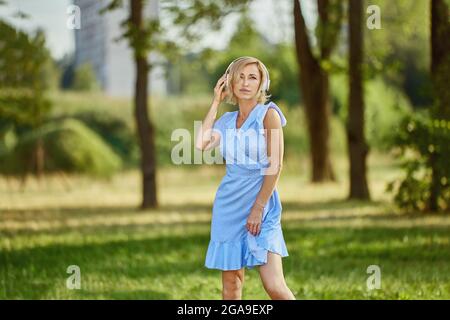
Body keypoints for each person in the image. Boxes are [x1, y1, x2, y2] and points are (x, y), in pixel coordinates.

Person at [195, 56, 295, 300]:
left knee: (274, 285)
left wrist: (258, 208)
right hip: (229, 205)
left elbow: (276, 165)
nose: (245, 83)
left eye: (252, 77)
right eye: (240, 76)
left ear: (262, 83)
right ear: (229, 81)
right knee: (232, 285)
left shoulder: (268, 115)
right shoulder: (226, 121)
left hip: (261, 204)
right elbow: (200, 144)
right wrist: (215, 101)